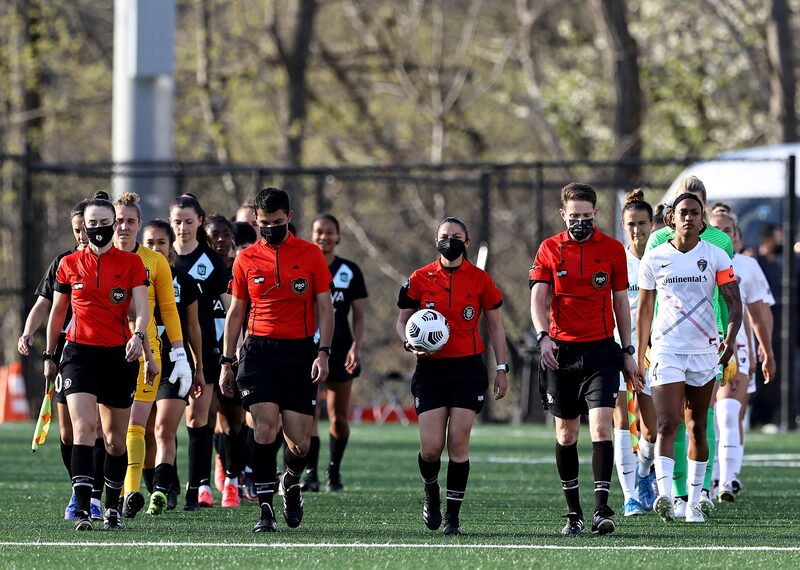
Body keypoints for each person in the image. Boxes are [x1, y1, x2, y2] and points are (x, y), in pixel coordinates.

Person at [219, 187, 334, 533]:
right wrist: (227, 360)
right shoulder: (246, 259)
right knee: (265, 427)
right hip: (257, 353)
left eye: (277, 222)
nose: (270, 227)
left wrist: (323, 353)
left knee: (299, 442)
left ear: (290, 218)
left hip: (299, 352)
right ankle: (266, 509)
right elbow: (236, 312)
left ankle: (291, 481)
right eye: (265, 223)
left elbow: (326, 308)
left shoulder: (311, 255)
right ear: (255, 220)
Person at [529, 182, 639, 536]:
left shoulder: (611, 250)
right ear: (563, 215)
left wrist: (628, 350)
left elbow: (621, 302)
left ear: (596, 214)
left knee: (603, 427)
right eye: (574, 216)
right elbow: (538, 299)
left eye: (586, 216)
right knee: (566, 434)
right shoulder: (548, 249)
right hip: (562, 354)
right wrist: (543, 337)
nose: (580, 222)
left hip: (602, 352)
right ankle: (574, 513)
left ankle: (601, 510)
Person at [396, 216, 508, 537]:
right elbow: (402, 322)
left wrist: (501, 368)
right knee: (431, 449)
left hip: (468, 368)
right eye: (445, 236)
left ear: (467, 242)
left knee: (458, 443)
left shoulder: (480, 280)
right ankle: (431, 492)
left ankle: (453, 519)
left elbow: (496, 326)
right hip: (430, 370)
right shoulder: (419, 279)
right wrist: (408, 341)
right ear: (436, 241)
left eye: (457, 236)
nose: (450, 241)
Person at [44, 196, 150, 530]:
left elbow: (142, 309)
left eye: (107, 224)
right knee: (84, 428)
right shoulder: (69, 264)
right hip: (78, 354)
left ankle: (112, 505)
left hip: (119, 355)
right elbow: (57, 312)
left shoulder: (131, 264)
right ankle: (85, 506)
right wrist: (49, 355)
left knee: (116, 441)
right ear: (84, 228)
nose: (100, 230)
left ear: (115, 225)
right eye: (94, 225)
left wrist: (138, 335)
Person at [636, 192, 742, 524]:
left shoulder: (717, 256)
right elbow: (643, 310)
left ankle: (695, 502)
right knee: (667, 423)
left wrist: (731, 339)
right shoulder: (654, 258)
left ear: (702, 219)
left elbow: (734, 304)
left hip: (704, 351)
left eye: (695, 213)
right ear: (671, 219)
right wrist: (639, 353)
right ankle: (667, 496)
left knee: (698, 426)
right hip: (666, 349)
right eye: (683, 212)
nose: (689, 218)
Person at [18, 197, 108, 521]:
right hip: (66, 354)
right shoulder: (64, 262)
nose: (83, 235)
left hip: (102, 352)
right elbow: (45, 306)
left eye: (87, 228)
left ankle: (94, 495)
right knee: (69, 433)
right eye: (77, 230)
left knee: (94, 428)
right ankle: (78, 486)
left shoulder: (114, 262)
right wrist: (29, 333)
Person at [112, 193, 192, 518]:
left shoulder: (154, 262)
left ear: (138, 224)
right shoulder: (94, 259)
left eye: (130, 220)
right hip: (106, 351)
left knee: (136, 424)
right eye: (119, 220)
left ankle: (129, 494)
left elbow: (169, 310)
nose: (124, 226)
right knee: (110, 431)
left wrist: (179, 351)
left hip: (148, 352)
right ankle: (105, 490)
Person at [708, 206, 775, 501]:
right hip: (701, 347)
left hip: (738, 349)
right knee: (705, 415)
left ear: (736, 238)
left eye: (727, 231)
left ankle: (726, 479)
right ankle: (706, 480)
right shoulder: (698, 262)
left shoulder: (746, 267)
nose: (721, 236)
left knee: (729, 413)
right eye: (715, 229)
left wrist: (766, 348)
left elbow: (760, 314)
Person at [170, 194, 231, 510]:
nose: (182, 228)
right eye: (177, 222)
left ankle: (197, 489)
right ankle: (164, 484)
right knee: (161, 423)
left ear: (200, 222)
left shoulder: (211, 262)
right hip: (163, 348)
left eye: (188, 222)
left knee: (197, 418)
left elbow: (231, 304)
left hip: (202, 348)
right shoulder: (159, 261)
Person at [140, 220, 205, 513]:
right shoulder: (130, 279)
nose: (155, 248)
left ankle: (161, 491)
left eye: (161, 243)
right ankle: (153, 484)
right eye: (149, 243)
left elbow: (193, 327)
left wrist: (199, 366)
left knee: (164, 429)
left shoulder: (185, 282)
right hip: (139, 362)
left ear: (170, 247)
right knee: (142, 431)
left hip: (174, 364)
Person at [301, 213, 368, 493]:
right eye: (318, 232)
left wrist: (356, 346)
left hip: (340, 350)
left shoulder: (349, 270)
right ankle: (311, 474)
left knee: (338, 418)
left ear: (338, 237)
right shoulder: (303, 266)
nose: (323, 237)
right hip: (308, 349)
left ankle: (334, 471)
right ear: (311, 235)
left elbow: (360, 316)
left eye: (329, 232)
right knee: (310, 413)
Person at [614, 190, 658, 516]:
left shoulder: (663, 258)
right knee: (621, 417)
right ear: (622, 225)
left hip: (659, 351)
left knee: (652, 428)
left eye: (642, 223)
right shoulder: (617, 261)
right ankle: (630, 495)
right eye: (630, 223)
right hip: (621, 348)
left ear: (652, 223)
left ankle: (644, 472)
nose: (636, 230)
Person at [205, 213, 246, 507]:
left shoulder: (241, 269)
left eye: (224, 234)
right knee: (206, 419)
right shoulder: (200, 271)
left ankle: (233, 478)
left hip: (235, 354)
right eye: (213, 235)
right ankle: (209, 481)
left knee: (234, 422)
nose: (219, 240)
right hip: (206, 355)